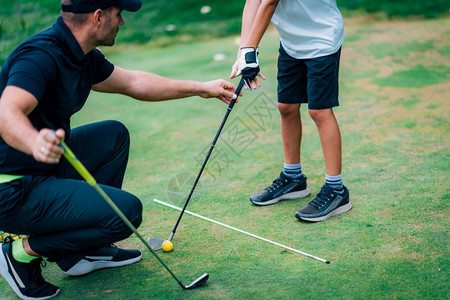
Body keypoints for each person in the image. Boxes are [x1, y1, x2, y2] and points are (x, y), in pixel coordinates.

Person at [0, 0, 238, 299]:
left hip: (41, 167)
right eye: (119, 15)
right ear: (98, 17)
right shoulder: (39, 56)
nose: (122, 23)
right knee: (125, 213)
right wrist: (34, 142)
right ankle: (20, 253)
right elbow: (7, 112)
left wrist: (200, 87)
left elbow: (134, 82)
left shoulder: (83, 55)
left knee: (113, 136)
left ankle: (80, 253)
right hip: (11, 188)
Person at [230, 0, 352, 222]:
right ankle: (293, 177)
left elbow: (269, 2)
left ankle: (336, 190)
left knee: (319, 111)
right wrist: (243, 52)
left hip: (321, 39)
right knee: (286, 106)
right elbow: (253, 2)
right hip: (291, 43)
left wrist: (250, 49)